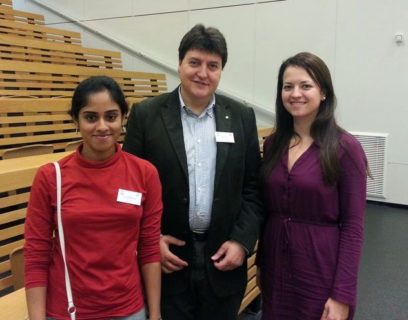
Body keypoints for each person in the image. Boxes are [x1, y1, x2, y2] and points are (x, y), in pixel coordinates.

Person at [123, 24, 263, 320]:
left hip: (224, 259)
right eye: (195, 62)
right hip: (167, 260)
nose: (203, 73)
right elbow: (128, 188)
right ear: (179, 63)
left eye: (213, 66)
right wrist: (150, 241)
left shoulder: (241, 116)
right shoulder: (146, 115)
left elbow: (253, 187)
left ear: (222, 70)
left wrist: (242, 241)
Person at [24, 76, 163, 320]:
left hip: (129, 309)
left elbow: (149, 248)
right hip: (68, 309)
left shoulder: (145, 173)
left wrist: (155, 314)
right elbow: (36, 254)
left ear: (123, 118)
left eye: (111, 116)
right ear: (76, 120)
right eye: (91, 117)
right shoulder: (50, 177)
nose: (102, 126)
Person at [256, 52, 368, 320]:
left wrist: (343, 294)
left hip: (319, 268)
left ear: (324, 92)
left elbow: (353, 228)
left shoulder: (345, 148)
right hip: (275, 265)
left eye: (305, 85)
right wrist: (261, 262)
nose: (295, 93)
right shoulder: (273, 144)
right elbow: (269, 212)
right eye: (287, 86)